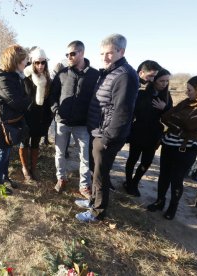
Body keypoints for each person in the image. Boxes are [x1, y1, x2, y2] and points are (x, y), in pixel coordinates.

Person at [75, 34, 139, 222]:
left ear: (121, 51)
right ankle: (93, 201)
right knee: (95, 172)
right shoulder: (110, 72)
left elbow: (122, 111)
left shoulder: (125, 75)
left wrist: (107, 138)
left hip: (106, 136)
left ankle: (98, 212)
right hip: (97, 132)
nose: (104, 57)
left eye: (110, 53)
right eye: (102, 53)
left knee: (101, 176)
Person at [147, 73, 197, 220]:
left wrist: (177, 121)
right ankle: (159, 201)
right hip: (168, 145)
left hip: (186, 150)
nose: (186, 92)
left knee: (176, 180)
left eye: (189, 90)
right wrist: (179, 124)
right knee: (163, 176)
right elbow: (165, 117)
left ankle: (173, 206)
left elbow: (190, 124)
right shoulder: (186, 102)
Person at [49, 40, 100, 197]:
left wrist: (92, 119)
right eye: (67, 54)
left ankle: (84, 186)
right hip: (62, 123)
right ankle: (61, 179)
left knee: (85, 156)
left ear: (82, 53)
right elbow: (52, 96)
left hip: (82, 125)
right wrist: (56, 111)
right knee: (59, 153)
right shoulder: (62, 73)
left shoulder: (95, 75)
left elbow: (97, 100)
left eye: (72, 53)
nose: (69, 57)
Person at [0, 44, 31, 195]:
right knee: (2, 154)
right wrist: (29, 96)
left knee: (6, 153)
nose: (26, 63)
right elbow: (19, 103)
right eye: (24, 61)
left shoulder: (11, 76)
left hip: (8, 121)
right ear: (15, 62)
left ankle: (4, 177)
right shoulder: (3, 80)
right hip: (1, 124)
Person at [124, 68, 173, 197]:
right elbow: (131, 113)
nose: (164, 84)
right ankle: (128, 182)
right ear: (154, 80)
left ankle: (135, 182)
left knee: (147, 161)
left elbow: (170, 118)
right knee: (132, 159)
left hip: (154, 134)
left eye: (167, 81)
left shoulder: (167, 97)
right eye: (162, 80)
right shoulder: (141, 94)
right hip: (138, 131)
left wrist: (165, 108)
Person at [19, 47, 53, 181]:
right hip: (26, 116)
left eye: (43, 62)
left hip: (41, 117)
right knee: (24, 143)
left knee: (36, 143)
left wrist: (48, 117)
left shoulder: (48, 79)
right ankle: (24, 167)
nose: (40, 65)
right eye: (37, 62)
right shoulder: (24, 77)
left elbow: (49, 99)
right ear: (32, 62)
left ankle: (33, 167)